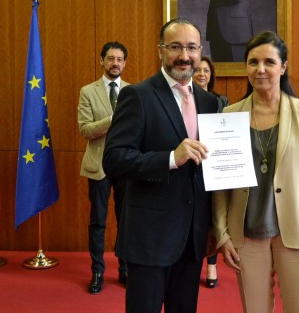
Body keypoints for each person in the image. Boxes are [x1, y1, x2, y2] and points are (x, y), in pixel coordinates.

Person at [213, 31, 299, 313]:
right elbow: (221, 186)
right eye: (253, 62)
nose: (260, 69)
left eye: (269, 62)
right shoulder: (228, 116)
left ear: (283, 67)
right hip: (246, 233)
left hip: (297, 231)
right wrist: (222, 234)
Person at [103, 18, 219, 313]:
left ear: (200, 50)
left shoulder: (211, 103)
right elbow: (114, 159)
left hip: (193, 238)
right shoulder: (138, 96)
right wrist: (169, 158)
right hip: (150, 237)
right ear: (160, 51)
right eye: (175, 47)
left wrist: (216, 226)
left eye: (191, 48)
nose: (184, 56)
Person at [78, 41, 129, 294]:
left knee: (126, 220)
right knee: (98, 222)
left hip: (125, 166)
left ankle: (125, 267)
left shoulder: (134, 91)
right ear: (101, 61)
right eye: (110, 58)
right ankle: (97, 271)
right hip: (98, 166)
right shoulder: (88, 91)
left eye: (119, 59)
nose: (115, 63)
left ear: (125, 63)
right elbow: (85, 130)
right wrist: (114, 117)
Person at [193, 55, 229, 289]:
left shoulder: (220, 101)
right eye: (198, 70)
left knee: (212, 216)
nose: (202, 74)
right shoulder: (182, 100)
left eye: (206, 70)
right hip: (189, 164)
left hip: (214, 166)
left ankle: (212, 265)